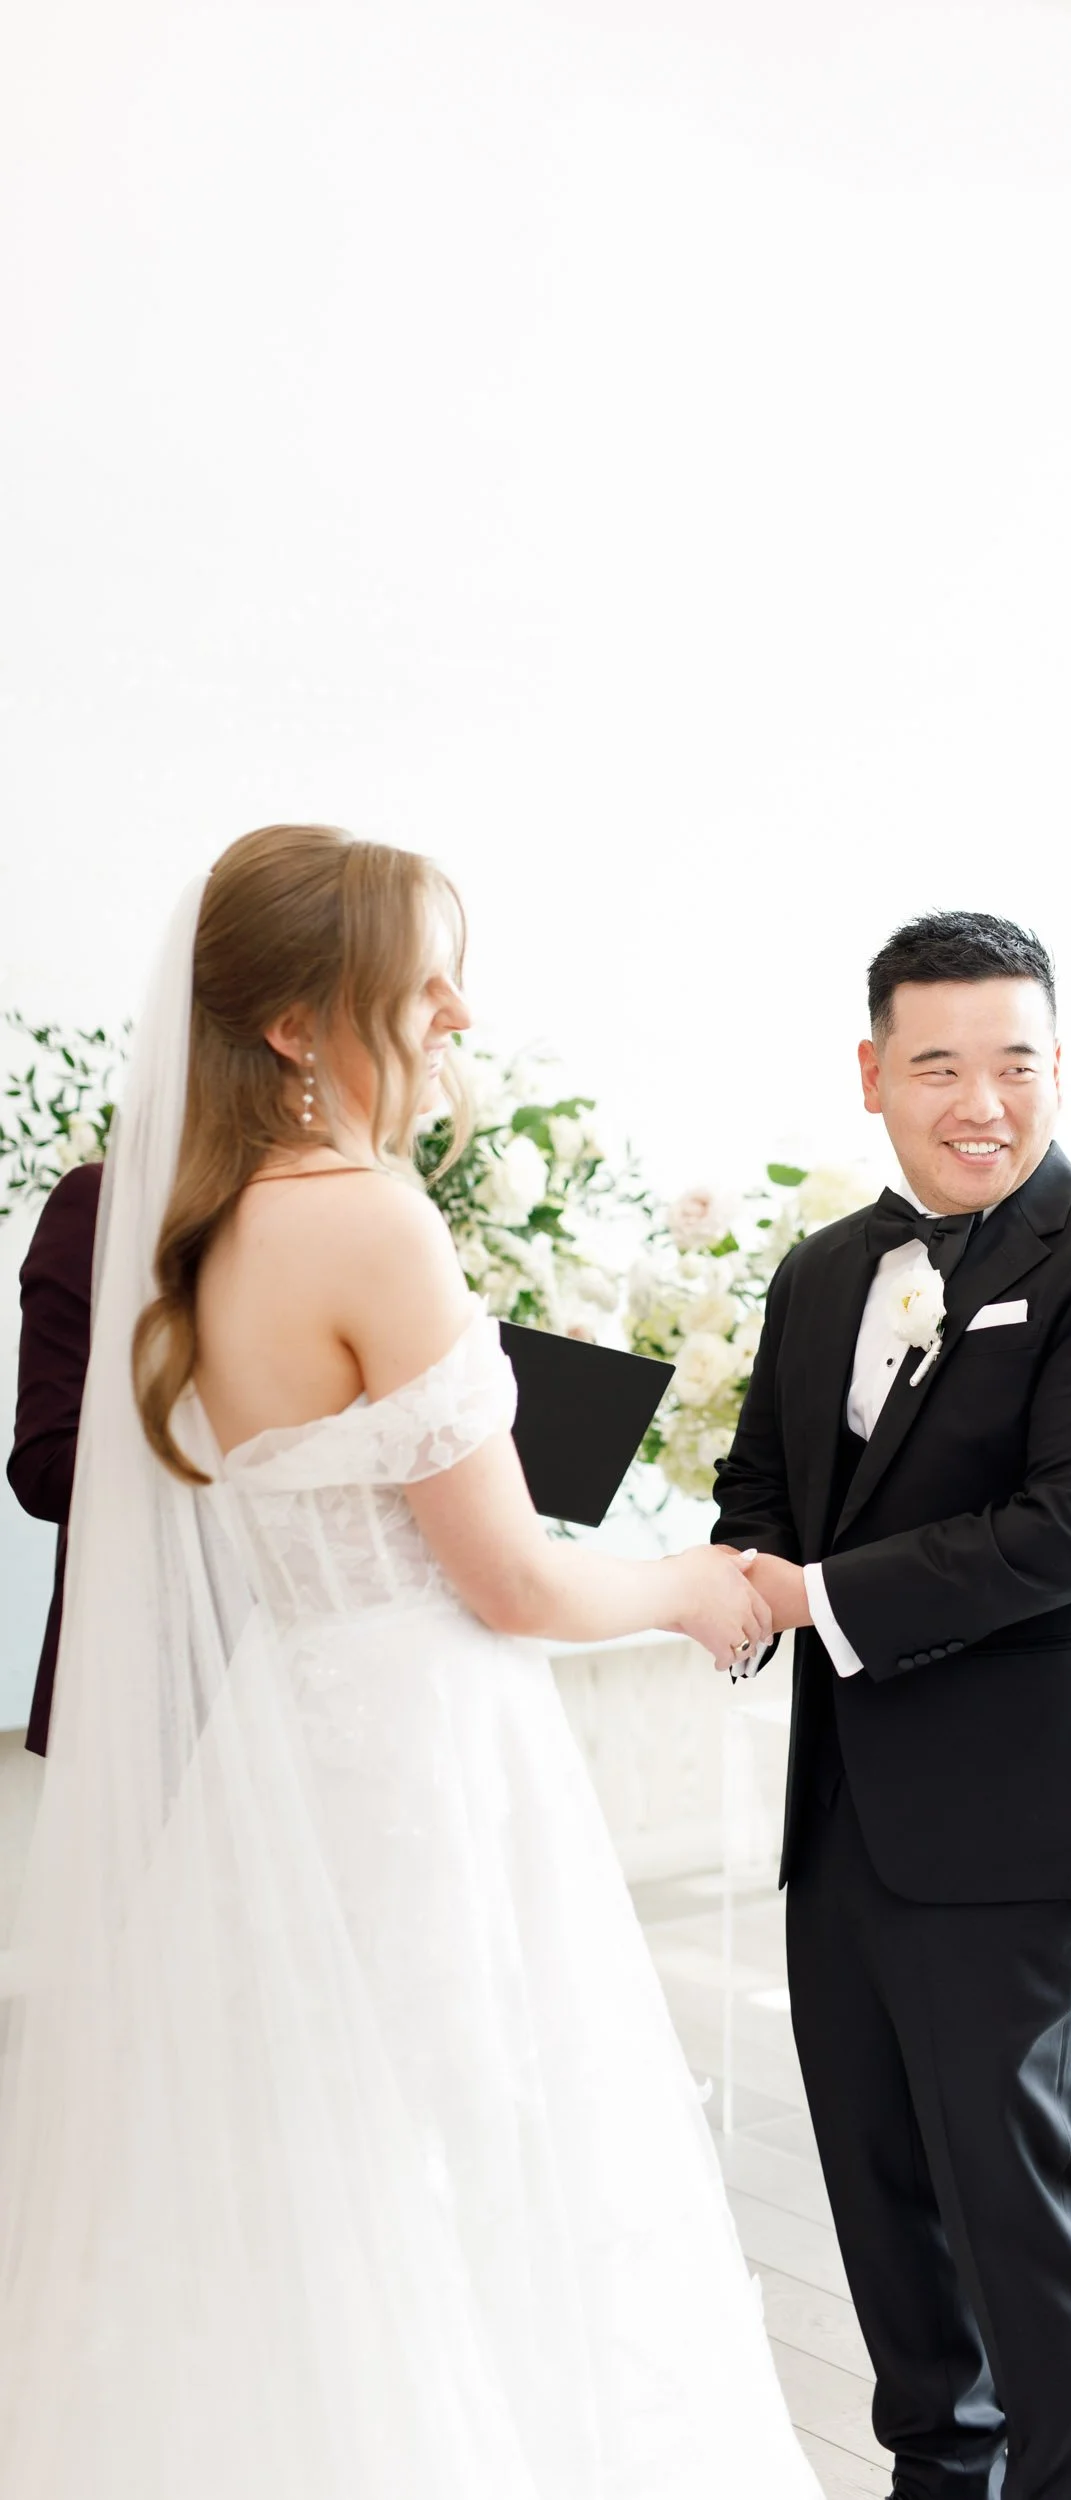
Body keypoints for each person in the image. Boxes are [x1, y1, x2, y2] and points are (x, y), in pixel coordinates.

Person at [0, 823, 819, 2500]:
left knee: (307, 2166)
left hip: (280, 1744)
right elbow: (511, 1585)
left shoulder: (191, 1222)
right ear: (298, 1022)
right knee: (476, 2163)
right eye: (419, 972)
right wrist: (695, 1584)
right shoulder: (366, 1218)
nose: (455, 1006)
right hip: (424, 1747)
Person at [712, 912, 1071, 2500]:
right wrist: (733, 1571)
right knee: (870, 2173)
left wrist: (815, 1602)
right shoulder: (818, 1269)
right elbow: (765, 1480)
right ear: (871, 1075)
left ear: (1059, 1069)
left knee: (1010, 2188)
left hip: (1020, 1811)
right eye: (937, 1064)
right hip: (846, 1809)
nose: (978, 1100)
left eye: (1014, 1063)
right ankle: (940, 2462)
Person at [7, 1156, 101, 1752]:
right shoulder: (102, 1203)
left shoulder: (385, 1210)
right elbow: (44, 1466)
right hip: (155, 1677)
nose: (440, 1052)